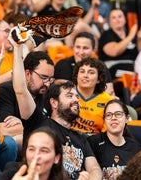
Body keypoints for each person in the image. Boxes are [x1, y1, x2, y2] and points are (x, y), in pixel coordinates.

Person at [10, 36, 102, 179]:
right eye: (69, 96)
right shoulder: (39, 122)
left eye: (77, 97)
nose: (76, 100)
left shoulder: (81, 137)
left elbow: (95, 168)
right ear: (54, 103)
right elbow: (21, 89)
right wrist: (17, 49)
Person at [0, 50, 55, 149]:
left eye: (50, 79)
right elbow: (4, 131)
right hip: (11, 150)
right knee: (9, 143)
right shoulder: (6, 90)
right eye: (44, 77)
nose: (47, 84)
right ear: (27, 74)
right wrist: (34, 125)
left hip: (37, 147)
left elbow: (53, 129)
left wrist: (21, 125)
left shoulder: (47, 95)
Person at [87, 99, 141, 179]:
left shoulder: (135, 146)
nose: (113, 118)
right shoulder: (93, 142)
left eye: (118, 114)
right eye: (108, 115)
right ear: (104, 120)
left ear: (127, 118)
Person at [54, 31, 115, 95]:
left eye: (85, 48)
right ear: (73, 48)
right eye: (78, 47)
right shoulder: (63, 65)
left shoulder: (100, 66)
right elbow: (64, 92)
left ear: (93, 50)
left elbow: (110, 93)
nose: (81, 52)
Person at [0, 126, 69, 180]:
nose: (36, 155)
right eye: (31, 149)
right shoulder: (11, 175)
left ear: (57, 158)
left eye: (44, 151)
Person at [97, 8, 141, 80]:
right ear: (110, 21)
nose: (117, 19)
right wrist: (130, 36)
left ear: (125, 19)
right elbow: (114, 52)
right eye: (114, 17)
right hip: (113, 67)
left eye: (120, 16)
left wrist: (139, 39)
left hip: (133, 65)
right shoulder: (106, 35)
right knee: (138, 76)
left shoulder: (129, 34)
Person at [70, 58, 113, 135]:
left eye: (91, 72)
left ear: (98, 79)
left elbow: (107, 133)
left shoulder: (107, 100)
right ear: (77, 75)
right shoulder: (66, 94)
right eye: (82, 71)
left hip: (94, 142)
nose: (85, 75)